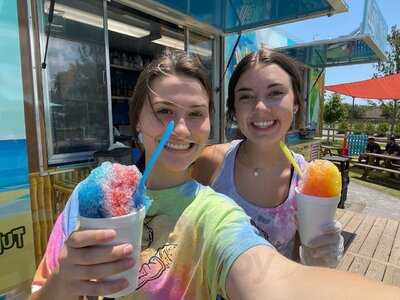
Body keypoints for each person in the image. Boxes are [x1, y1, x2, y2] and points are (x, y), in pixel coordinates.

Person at [29, 51, 400, 300]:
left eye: (195, 113)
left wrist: (320, 261)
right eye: (162, 111)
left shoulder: (215, 212)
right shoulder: (87, 196)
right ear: (136, 118)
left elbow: (268, 277)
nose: (180, 130)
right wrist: (64, 279)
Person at [192, 48, 343, 267]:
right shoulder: (211, 162)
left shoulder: (306, 180)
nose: (260, 107)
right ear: (234, 109)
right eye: (246, 96)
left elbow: (304, 262)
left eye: (275, 93)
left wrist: (319, 256)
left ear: (296, 104)